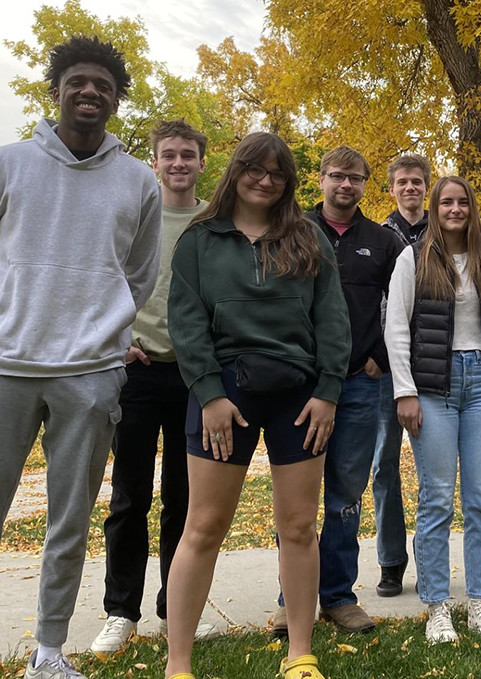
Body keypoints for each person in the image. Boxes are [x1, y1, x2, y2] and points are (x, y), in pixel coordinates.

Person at [0, 36, 163, 679]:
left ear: (117, 99)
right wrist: (14, 315)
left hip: (90, 375)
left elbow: (136, 275)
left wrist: (96, 328)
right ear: (55, 91)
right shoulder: (3, 164)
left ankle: (48, 652)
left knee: (70, 523)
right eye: (77, 82)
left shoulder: (138, 180)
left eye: (104, 86)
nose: (90, 92)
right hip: (3, 366)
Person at [163, 131, 350, 679]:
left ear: (289, 181)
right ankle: (179, 664)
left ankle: (300, 654)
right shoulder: (200, 240)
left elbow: (333, 320)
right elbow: (186, 321)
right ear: (235, 169)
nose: (265, 180)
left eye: (277, 172)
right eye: (255, 168)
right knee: (203, 525)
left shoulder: (309, 238)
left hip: (300, 396)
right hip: (224, 393)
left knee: (298, 526)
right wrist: (209, 394)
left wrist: (328, 392)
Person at [91, 119, 223, 655]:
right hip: (138, 372)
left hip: (193, 376)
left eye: (187, 155)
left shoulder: (213, 223)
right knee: (129, 499)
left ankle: (176, 608)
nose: (178, 164)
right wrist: (116, 339)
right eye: (168, 155)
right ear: (155, 161)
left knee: (184, 501)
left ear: (201, 163)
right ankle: (121, 611)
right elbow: (102, 279)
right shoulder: (135, 215)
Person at [269, 146, 404, 635]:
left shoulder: (384, 242)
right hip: (299, 387)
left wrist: (381, 360)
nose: (345, 185)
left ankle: (339, 596)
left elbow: (407, 308)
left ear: (366, 185)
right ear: (320, 179)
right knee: (296, 498)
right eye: (336, 176)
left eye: (355, 177)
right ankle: (292, 597)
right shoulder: (292, 231)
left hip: (359, 386)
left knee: (346, 495)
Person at [386, 175, 481, 644]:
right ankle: (437, 606)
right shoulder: (411, 259)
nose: (454, 209)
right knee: (436, 499)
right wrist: (405, 391)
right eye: (446, 203)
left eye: (462, 202)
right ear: (435, 209)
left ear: (471, 209)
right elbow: (397, 327)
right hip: (432, 388)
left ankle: (479, 601)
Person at [371, 153, 431, 598]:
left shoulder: (444, 234)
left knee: (434, 471)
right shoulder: (378, 237)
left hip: (430, 367)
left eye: (417, 182)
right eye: (402, 182)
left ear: (426, 187)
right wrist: (377, 352)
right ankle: (391, 562)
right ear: (392, 189)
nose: (410, 188)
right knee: (383, 466)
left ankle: (430, 562)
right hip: (382, 369)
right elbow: (374, 302)